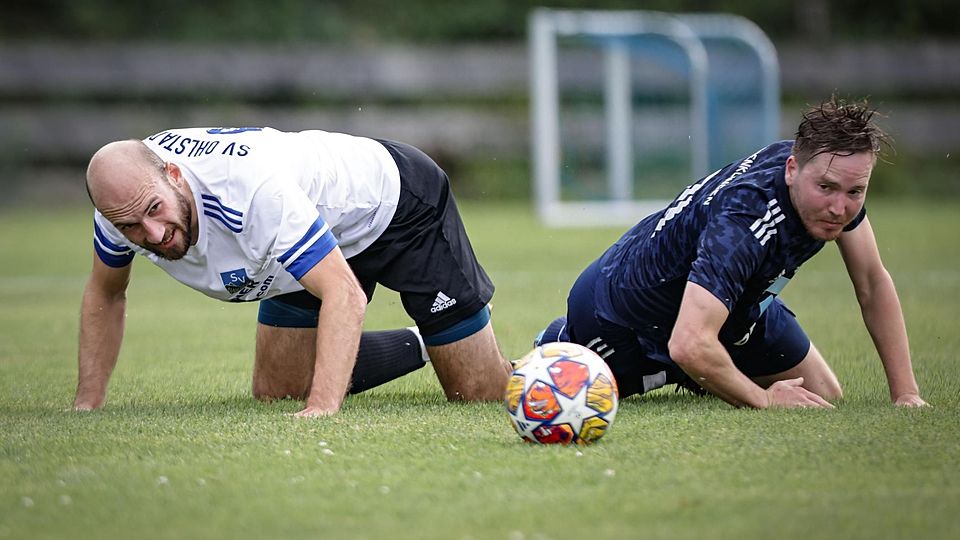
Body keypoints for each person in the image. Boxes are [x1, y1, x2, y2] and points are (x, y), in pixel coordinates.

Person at [76, 127, 512, 417]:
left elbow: (345, 295)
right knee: (278, 388)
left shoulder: (251, 194)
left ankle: (561, 341)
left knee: (477, 392)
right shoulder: (122, 205)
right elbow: (105, 294)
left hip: (394, 204)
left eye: (155, 211)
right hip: (307, 229)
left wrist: (321, 410)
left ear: (173, 175)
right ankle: (423, 344)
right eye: (131, 226)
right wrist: (87, 404)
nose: (152, 233)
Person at [535, 97, 927, 409]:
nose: (840, 208)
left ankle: (709, 368)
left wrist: (906, 394)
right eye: (826, 188)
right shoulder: (743, 220)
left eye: (855, 192)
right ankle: (560, 336)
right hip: (622, 319)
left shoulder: (828, 181)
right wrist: (765, 400)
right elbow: (687, 343)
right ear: (792, 169)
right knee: (586, 385)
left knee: (824, 394)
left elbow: (873, 284)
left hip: (734, 307)